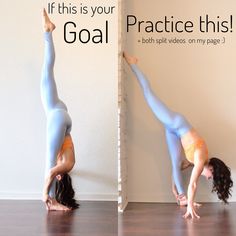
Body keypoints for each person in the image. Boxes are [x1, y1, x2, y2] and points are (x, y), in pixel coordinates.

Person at [123, 52, 233, 219]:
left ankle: (182, 198)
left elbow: (177, 167)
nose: (209, 178)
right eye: (212, 176)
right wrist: (190, 206)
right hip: (176, 123)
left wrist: (174, 188)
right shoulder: (201, 159)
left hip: (173, 132)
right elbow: (193, 183)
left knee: (174, 163)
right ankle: (133, 63)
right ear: (211, 169)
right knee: (148, 93)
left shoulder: (197, 162)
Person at [41, 9, 79, 211]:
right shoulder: (66, 165)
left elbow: (53, 170)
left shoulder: (68, 162)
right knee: (48, 160)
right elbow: (49, 172)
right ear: (60, 177)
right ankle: (51, 201)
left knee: (47, 71)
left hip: (59, 114)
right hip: (58, 116)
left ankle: (48, 31)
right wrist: (44, 193)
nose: (54, 172)